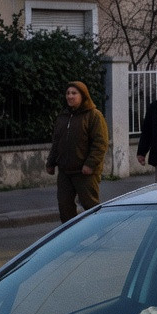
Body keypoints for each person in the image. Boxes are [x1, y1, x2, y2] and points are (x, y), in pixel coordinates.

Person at [45, 81, 109, 221]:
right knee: (65, 207)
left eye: (74, 93)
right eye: (68, 93)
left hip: (85, 172)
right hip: (65, 171)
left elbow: (100, 143)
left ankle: (101, 233)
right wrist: (51, 162)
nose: (70, 96)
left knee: (90, 205)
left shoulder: (93, 116)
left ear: (83, 96)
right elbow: (57, 142)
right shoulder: (63, 117)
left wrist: (90, 164)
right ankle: (70, 238)